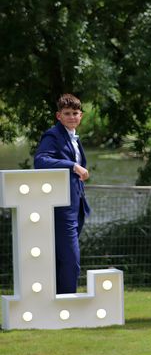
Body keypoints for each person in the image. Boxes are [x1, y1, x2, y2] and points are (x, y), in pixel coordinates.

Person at [34, 93, 91, 294]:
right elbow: (40, 161)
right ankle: (67, 303)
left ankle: (58, 301)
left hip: (77, 207)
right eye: (67, 113)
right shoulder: (53, 135)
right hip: (62, 209)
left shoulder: (73, 137)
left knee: (63, 259)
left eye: (75, 113)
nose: (72, 117)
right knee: (71, 260)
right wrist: (73, 165)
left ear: (81, 115)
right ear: (59, 116)